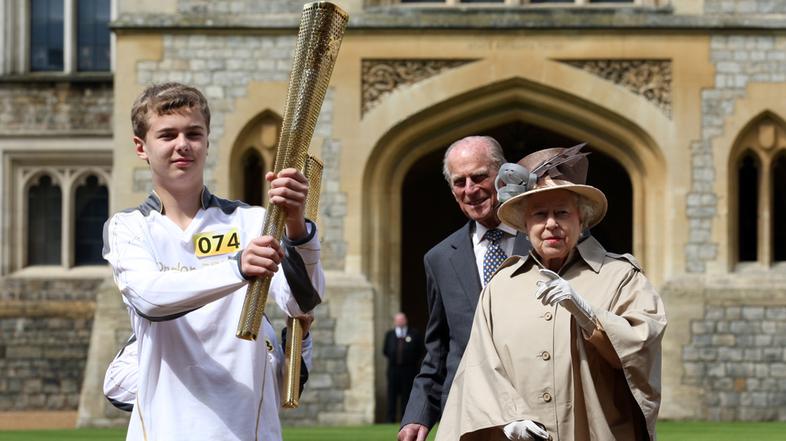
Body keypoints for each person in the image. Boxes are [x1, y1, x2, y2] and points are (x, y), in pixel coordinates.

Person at [102, 82, 325, 441]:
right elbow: (150, 297)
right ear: (141, 147)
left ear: (207, 141)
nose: (182, 145)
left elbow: (302, 302)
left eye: (194, 133)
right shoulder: (129, 228)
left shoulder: (251, 222)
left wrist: (297, 225)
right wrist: (236, 268)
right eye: (167, 135)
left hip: (245, 429)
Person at [435, 145, 667, 441]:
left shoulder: (621, 277)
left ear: (581, 220)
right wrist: (507, 419)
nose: (551, 224)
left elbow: (643, 344)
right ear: (525, 225)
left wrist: (589, 314)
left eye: (562, 213)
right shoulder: (500, 286)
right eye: (540, 214)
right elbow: (480, 367)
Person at [399, 136, 532, 441]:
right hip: (470, 415)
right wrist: (417, 416)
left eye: (479, 177)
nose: (470, 190)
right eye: (460, 182)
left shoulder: (544, 239)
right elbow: (439, 349)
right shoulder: (440, 258)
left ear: (503, 175)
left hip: (538, 408)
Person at [104, 314, 315, 413]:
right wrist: (205, 385)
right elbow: (117, 383)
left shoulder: (259, 320)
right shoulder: (183, 314)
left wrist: (299, 339)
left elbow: (280, 394)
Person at [383, 312, 424, 423]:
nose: (400, 321)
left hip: (409, 370)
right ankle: (390, 419)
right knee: (392, 394)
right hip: (393, 370)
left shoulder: (414, 333)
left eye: (402, 319)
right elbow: (385, 350)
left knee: (407, 395)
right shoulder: (390, 334)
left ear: (405, 320)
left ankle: (405, 419)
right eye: (398, 320)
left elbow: (420, 350)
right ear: (395, 322)